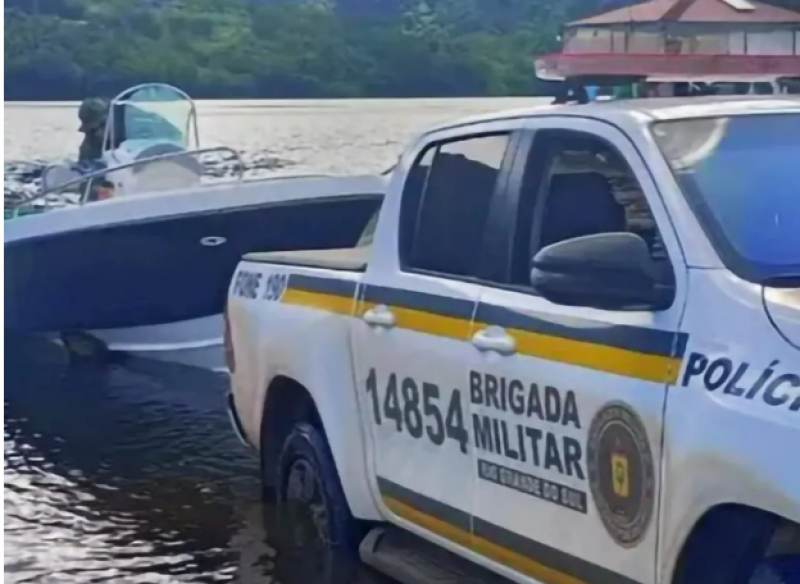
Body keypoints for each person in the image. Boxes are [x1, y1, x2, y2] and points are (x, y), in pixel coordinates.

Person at [77, 97, 110, 162]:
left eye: (103, 126)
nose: (98, 134)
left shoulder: (126, 146)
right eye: (90, 132)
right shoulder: (88, 147)